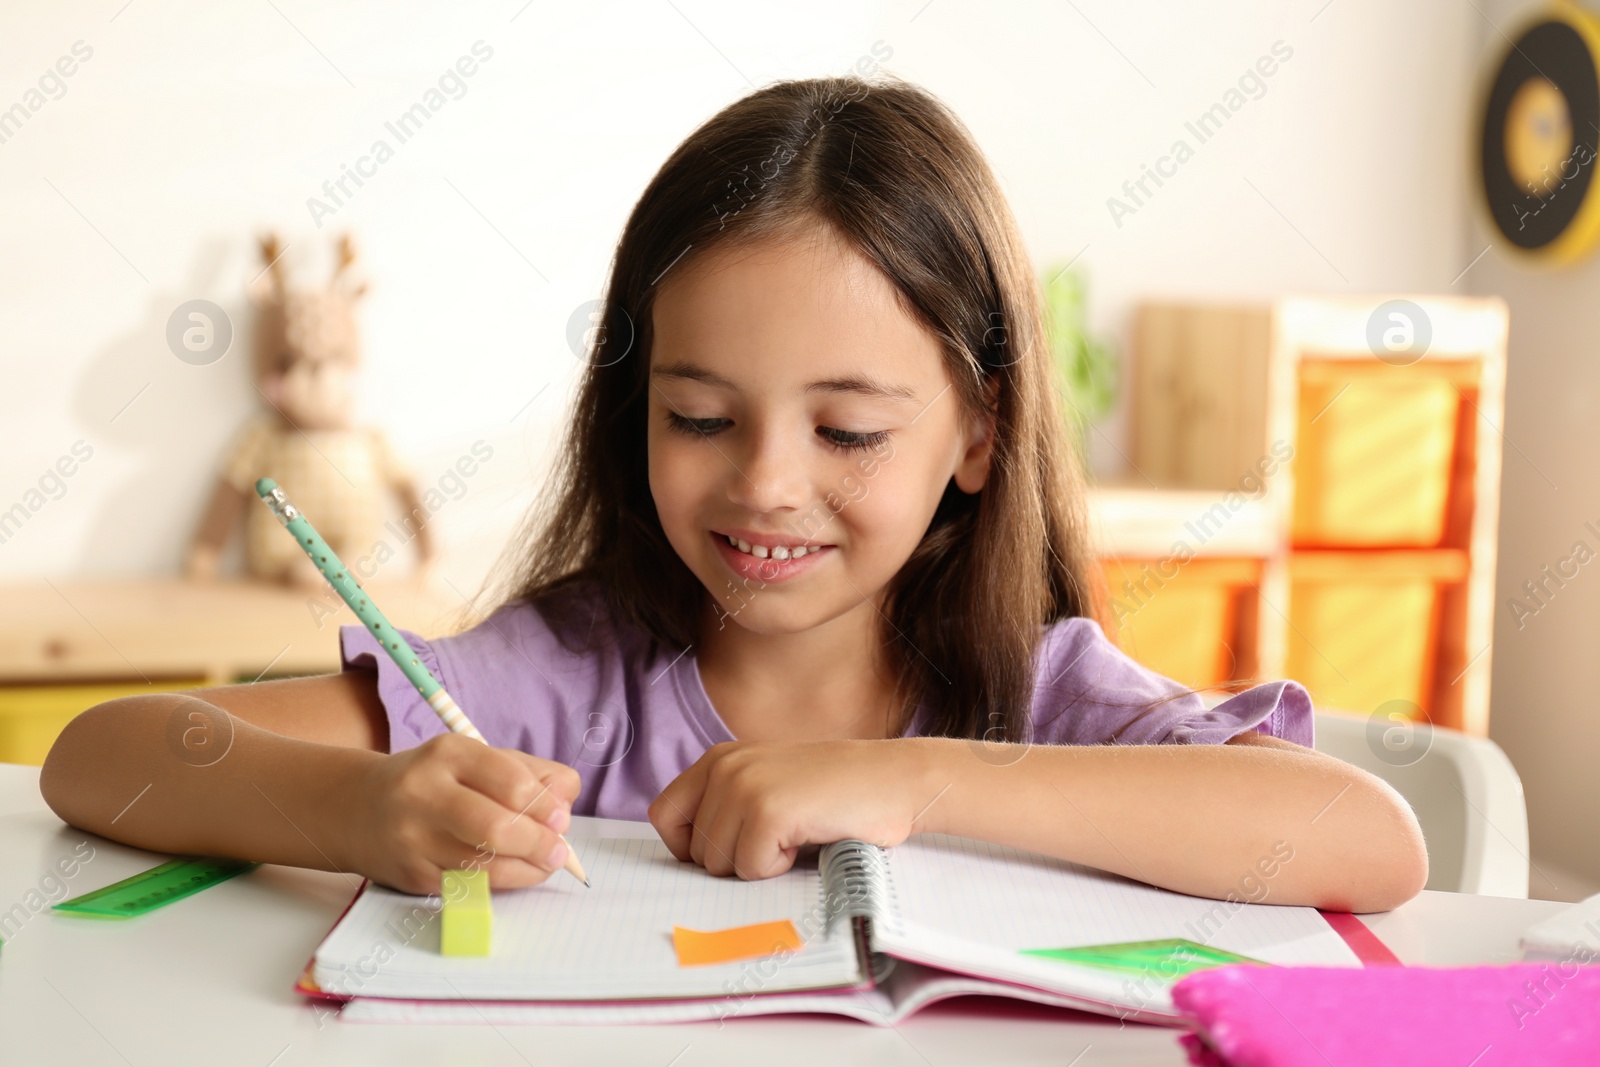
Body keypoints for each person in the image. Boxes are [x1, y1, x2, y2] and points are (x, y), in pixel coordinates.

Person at [40, 75, 1426, 913]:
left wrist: (913, 784)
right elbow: (102, 753)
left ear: (981, 436)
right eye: (698, 415)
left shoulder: (1036, 695)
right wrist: (360, 812)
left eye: (849, 431)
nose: (766, 484)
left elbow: (1371, 842)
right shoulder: (564, 678)